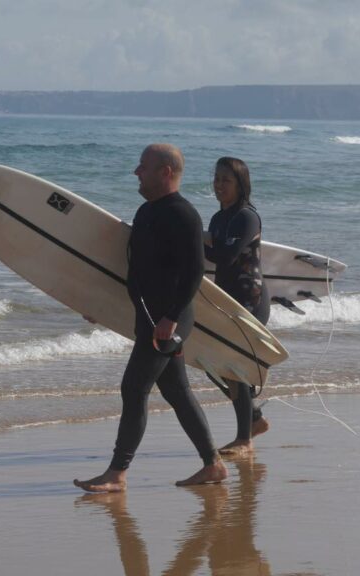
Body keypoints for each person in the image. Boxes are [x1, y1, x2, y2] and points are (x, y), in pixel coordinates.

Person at [74, 143, 228, 492]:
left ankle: (117, 473)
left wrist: (171, 319)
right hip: (150, 316)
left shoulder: (183, 214)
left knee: (134, 387)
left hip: (169, 319)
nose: (136, 172)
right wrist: (102, 304)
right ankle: (213, 464)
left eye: (143, 166)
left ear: (165, 172)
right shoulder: (147, 213)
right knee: (176, 390)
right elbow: (135, 271)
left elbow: (193, 272)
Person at [204, 157, 270, 456]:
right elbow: (212, 254)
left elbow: (226, 256)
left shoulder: (247, 217)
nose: (219, 185)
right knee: (212, 366)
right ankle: (253, 419)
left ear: (240, 184)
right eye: (216, 179)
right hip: (226, 297)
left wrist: (191, 239)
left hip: (250, 300)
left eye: (225, 180)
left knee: (233, 367)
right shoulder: (218, 219)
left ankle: (245, 439)